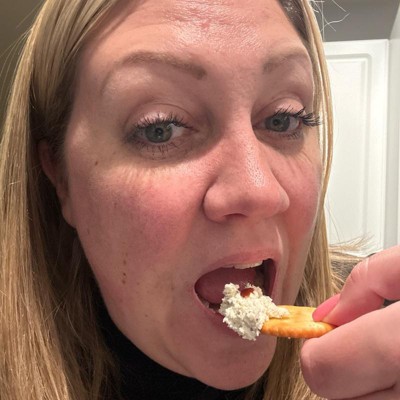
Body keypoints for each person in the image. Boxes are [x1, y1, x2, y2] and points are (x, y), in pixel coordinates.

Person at [0, 0, 399, 399]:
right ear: (60, 177)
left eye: (284, 119)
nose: (259, 190)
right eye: (160, 128)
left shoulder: (382, 315)